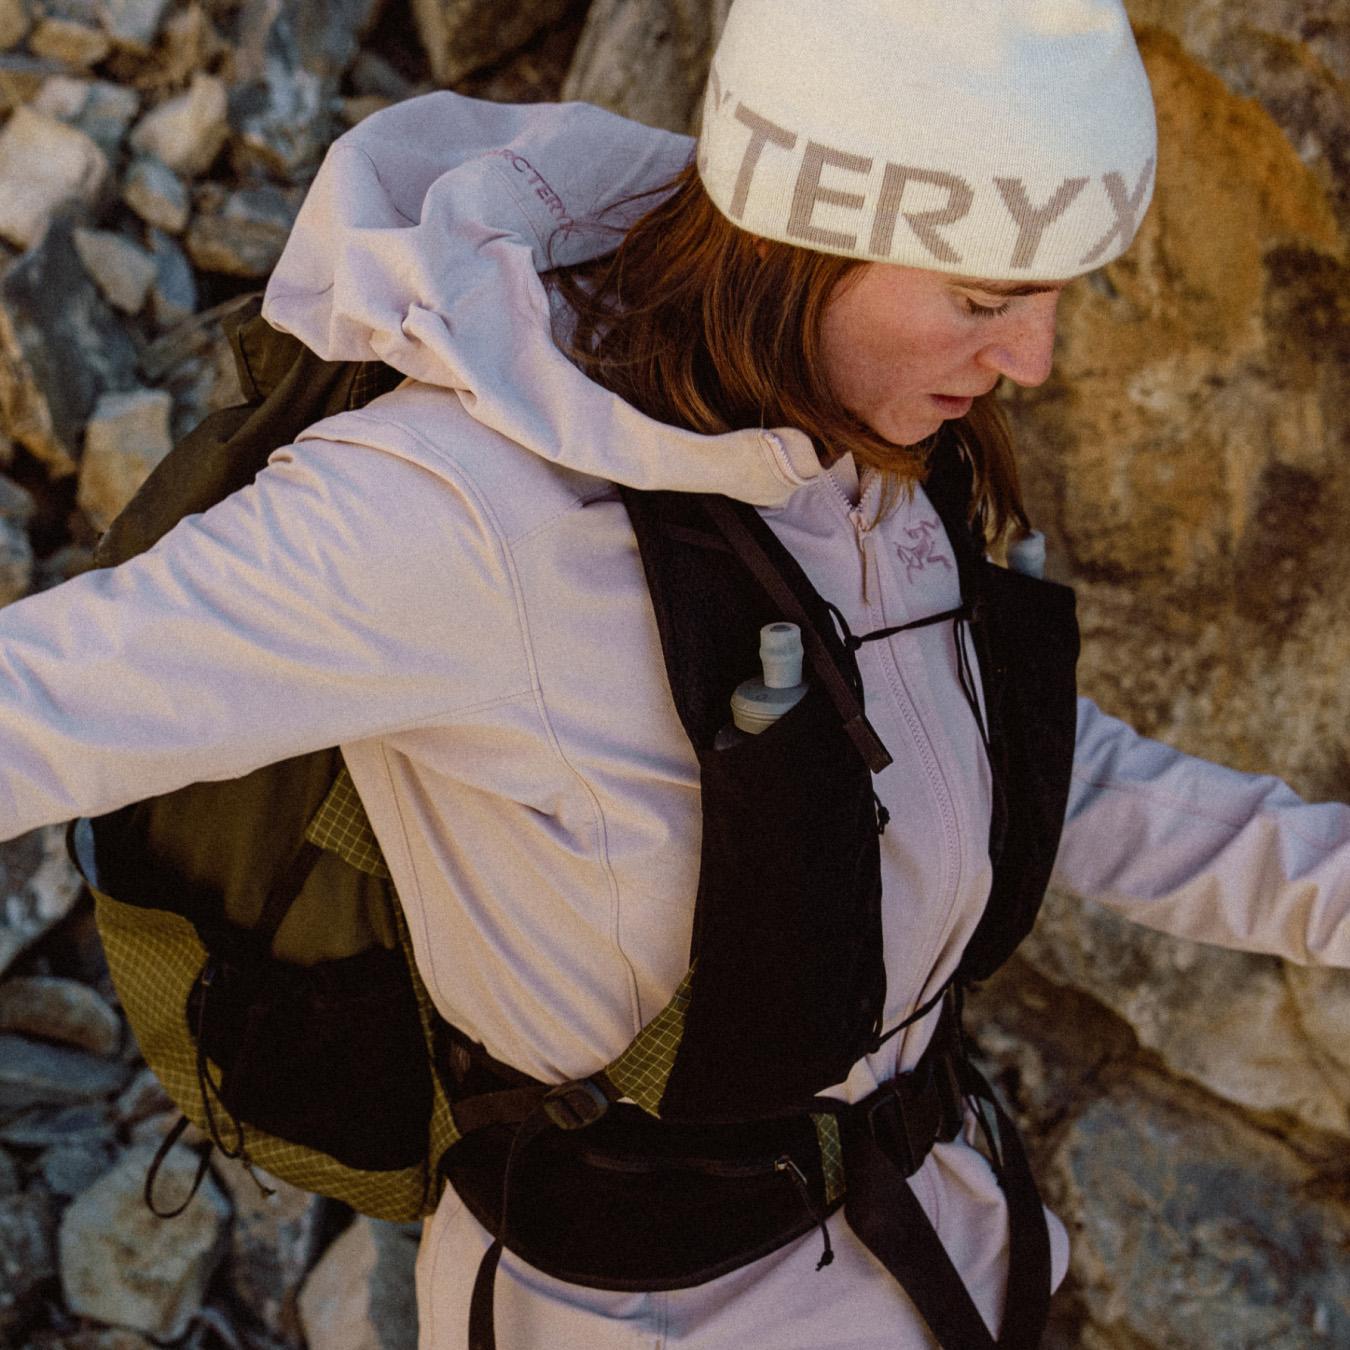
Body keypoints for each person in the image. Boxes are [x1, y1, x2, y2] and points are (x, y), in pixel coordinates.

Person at [1, 1, 1347, 1345]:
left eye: (1059, 288)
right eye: (985, 297)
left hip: (936, 1228)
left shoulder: (841, 427)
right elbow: (42, 705)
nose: (1031, 361)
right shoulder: (458, 515)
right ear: (800, 239)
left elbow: (1010, 761)